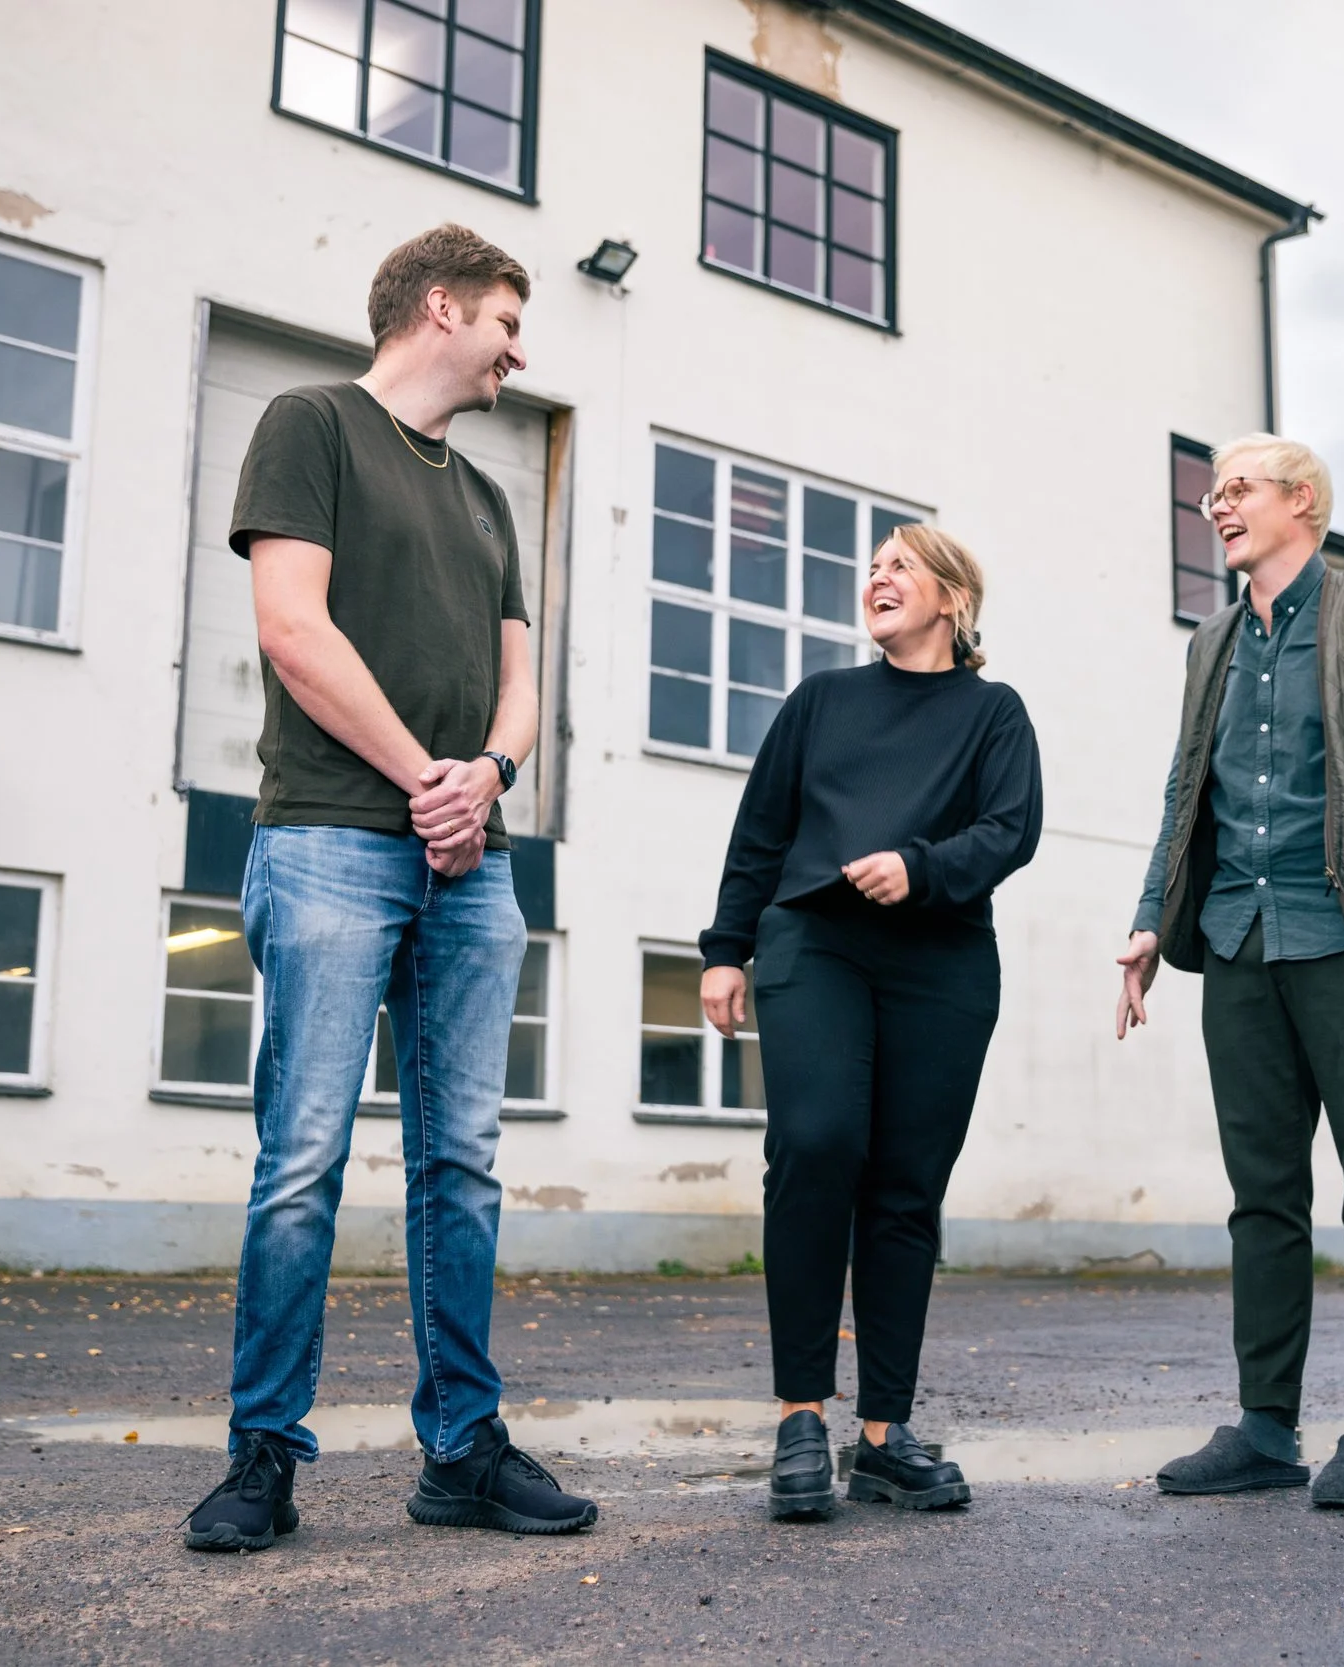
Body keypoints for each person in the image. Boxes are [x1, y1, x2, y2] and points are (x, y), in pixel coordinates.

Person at [182, 223, 595, 1551]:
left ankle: (463, 1449)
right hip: (332, 841)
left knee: (461, 1165)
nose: (518, 349)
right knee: (302, 1160)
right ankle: (263, 1455)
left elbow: (524, 680)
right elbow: (292, 627)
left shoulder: (485, 498)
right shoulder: (310, 425)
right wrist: (432, 778)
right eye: (505, 320)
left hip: (472, 864)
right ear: (437, 307)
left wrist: (486, 773)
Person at [1115, 436, 1344, 1511]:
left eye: (1237, 488)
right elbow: (1188, 790)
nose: (1215, 504)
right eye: (1210, 490)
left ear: (1300, 501)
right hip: (1234, 940)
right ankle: (1266, 1426)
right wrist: (1145, 923)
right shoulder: (1211, 641)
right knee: (1262, 1197)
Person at [697, 525, 1043, 1521]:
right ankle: (801, 1414)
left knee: (903, 1190)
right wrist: (726, 947)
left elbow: (1008, 826)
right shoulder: (821, 702)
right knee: (815, 1141)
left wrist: (920, 866)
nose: (877, 578)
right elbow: (761, 827)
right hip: (818, 941)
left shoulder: (992, 712)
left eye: (901, 566)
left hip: (941, 961)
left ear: (952, 599)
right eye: (874, 567)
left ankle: (885, 1436)